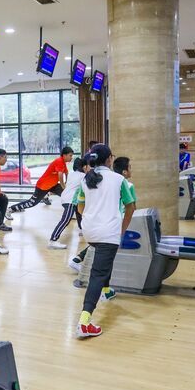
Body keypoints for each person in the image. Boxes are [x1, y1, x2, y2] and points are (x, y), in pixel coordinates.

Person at [73, 144, 136, 338]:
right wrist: (121, 230)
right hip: (108, 232)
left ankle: (107, 290)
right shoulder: (119, 179)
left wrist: (93, 216)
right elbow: (130, 207)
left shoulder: (86, 179)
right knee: (98, 274)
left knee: (104, 262)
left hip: (89, 230)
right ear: (109, 159)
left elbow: (80, 207)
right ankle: (84, 322)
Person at [7, 147, 75, 216]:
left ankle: (47, 195)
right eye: (70, 155)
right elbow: (60, 176)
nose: (71, 157)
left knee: (66, 194)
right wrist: (64, 186)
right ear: (64, 155)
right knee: (32, 203)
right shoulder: (59, 161)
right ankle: (10, 209)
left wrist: (67, 182)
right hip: (43, 186)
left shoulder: (63, 162)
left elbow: (66, 172)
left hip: (52, 185)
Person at [48, 156, 85, 248]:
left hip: (66, 197)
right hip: (70, 200)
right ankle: (53, 240)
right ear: (83, 167)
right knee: (65, 220)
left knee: (79, 212)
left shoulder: (71, 174)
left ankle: (82, 229)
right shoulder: (83, 176)